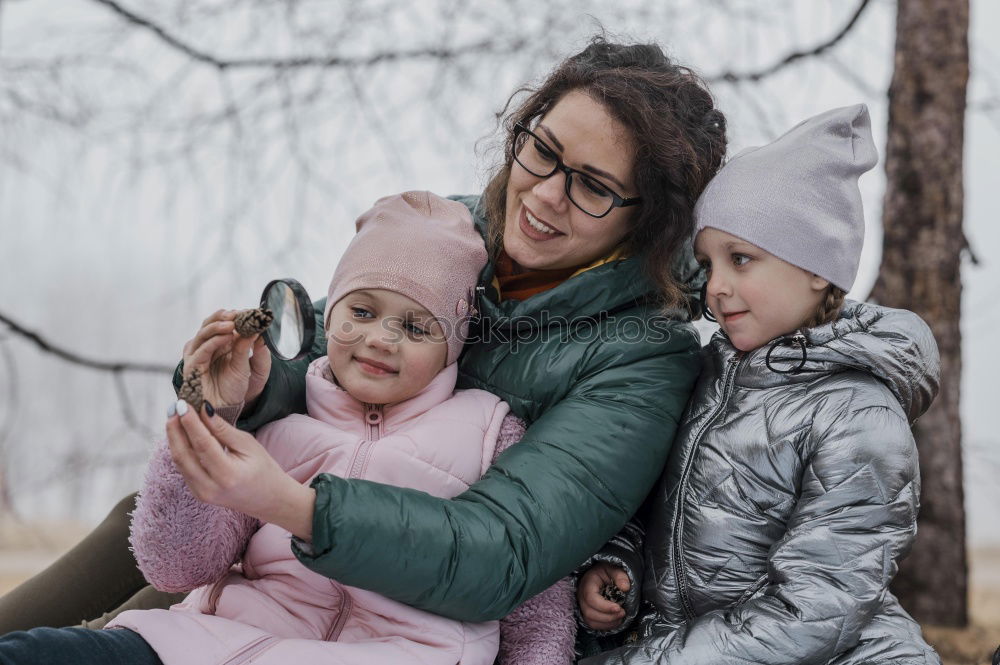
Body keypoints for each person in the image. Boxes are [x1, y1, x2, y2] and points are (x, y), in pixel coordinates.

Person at [0, 37, 728, 636]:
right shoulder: (446, 229)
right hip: (299, 549)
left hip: (405, 609)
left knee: (127, 632)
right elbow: (322, 353)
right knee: (144, 519)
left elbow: (503, 550)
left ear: (648, 220)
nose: (544, 193)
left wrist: (294, 503)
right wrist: (247, 387)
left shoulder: (641, 356)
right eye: (542, 148)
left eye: (592, 186)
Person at [0, 192, 577, 664]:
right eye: (362, 312)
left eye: (416, 326)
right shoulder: (287, 417)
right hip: (218, 643)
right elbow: (174, 565)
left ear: (454, 342)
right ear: (331, 316)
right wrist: (211, 417)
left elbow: (532, 598)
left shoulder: (488, 433)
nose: (379, 338)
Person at [575, 105, 942, 665]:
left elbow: (814, 612)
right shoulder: (704, 378)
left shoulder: (857, 417)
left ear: (817, 267)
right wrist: (620, 563)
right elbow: (650, 501)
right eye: (708, 263)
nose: (716, 287)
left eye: (741, 260)